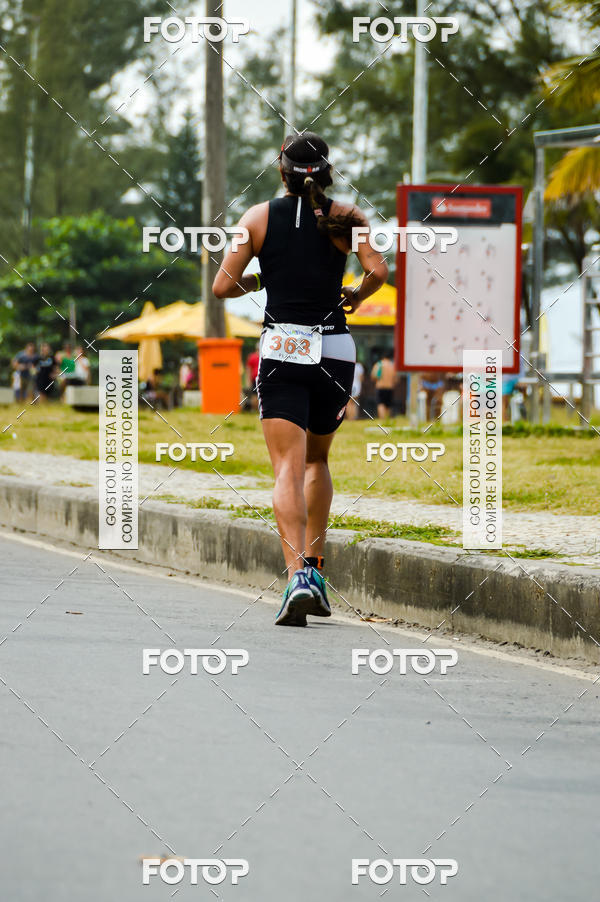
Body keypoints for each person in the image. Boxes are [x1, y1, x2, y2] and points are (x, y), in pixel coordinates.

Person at [213, 132, 388, 626]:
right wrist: (355, 295)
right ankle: (317, 570)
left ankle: (297, 579)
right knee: (317, 460)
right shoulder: (348, 217)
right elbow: (379, 272)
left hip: (282, 346)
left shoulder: (256, 218)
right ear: (327, 171)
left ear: (280, 170)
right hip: (335, 347)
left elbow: (222, 285)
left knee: (286, 467)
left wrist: (261, 279)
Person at [371, 350, 395, 419]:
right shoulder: (392, 365)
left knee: (380, 404)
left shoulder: (379, 364)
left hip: (380, 387)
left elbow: (373, 376)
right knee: (388, 405)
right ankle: (387, 420)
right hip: (390, 387)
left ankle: (382, 419)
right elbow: (396, 379)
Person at [245, 342, 261, 410]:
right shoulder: (253, 356)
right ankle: (255, 409)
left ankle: (257, 409)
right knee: (255, 395)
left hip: (260, 378)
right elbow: (248, 369)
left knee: (257, 394)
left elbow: (248, 369)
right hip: (256, 378)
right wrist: (248, 380)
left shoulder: (262, 356)